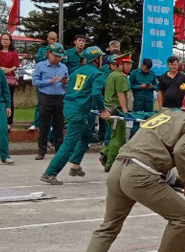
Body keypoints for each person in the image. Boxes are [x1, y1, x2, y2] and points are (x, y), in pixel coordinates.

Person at [76, 87, 185, 252]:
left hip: (118, 169)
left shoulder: (166, 114)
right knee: (183, 216)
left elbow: (153, 145)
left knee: (109, 225)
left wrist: (168, 174)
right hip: (141, 175)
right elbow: (182, 152)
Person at [41, 46, 107, 185]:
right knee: (69, 145)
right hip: (78, 112)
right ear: (96, 59)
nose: (102, 59)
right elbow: (96, 94)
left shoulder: (77, 71)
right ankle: (50, 173)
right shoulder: (97, 73)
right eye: (101, 57)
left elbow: (70, 89)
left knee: (86, 136)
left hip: (69, 107)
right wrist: (103, 110)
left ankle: (75, 166)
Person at [32, 42, 68, 160]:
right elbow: (35, 82)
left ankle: (59, 152)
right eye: (55, 56)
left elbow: (68, 85)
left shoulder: (63, 67)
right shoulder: (41, 66)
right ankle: (41, 151)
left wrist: (65, 83)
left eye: (59, 57)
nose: (57, 59)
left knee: (59, 126)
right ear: (49, 54)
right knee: (44, 126)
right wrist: (48, 81)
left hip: (60, 98)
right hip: (45, 97)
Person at [102, 54, 133, 172]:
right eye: (127, 64)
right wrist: (125, 112)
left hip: (108, 107)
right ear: (121, 64)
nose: (130, 66)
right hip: (116, 110)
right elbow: (121, 95)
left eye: (130, 64)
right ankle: (110, 164)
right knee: (118, 138)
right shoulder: (120, 77)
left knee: (112, 135)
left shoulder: (112, 74)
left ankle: (104, 153)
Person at [29, 31, 60, 131]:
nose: (52, 41)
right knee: (40, 103)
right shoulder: (42, 50)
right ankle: (36, 123)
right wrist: (46, 57)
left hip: (56, 81)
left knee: (55, 106)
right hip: (43, 81)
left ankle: (51, 125)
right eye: (50, 39)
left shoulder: (60, 50)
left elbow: (64, 61)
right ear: (47, 39)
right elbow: (38, 60)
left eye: (54, 39)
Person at [0, 32, 20, 129]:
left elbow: (16, 65)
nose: (5, 41)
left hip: (10, 79)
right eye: (3, 39)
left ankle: (9, 122)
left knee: (9, 100)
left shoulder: (14, 53)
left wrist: (8, 70)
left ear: (10, 41)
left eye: (7, 39)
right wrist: (1, 69)